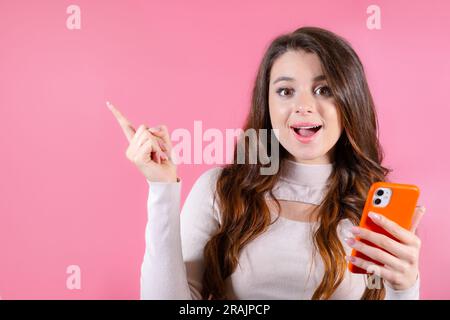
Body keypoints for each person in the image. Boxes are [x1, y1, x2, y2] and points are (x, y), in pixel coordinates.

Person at [107, 26, 424, 300]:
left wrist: (405, 287)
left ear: (349, 100)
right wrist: (161, 188)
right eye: (285, 91)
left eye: (323, 89)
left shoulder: (375, 207)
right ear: (267, 105)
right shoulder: (221, 190)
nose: (302, 105)